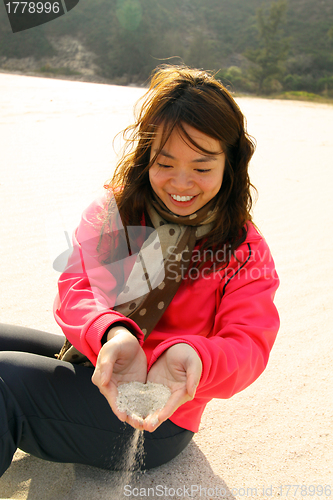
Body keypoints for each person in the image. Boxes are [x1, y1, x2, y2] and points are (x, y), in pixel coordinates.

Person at [0, 65, 279, 475]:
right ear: (147, 155)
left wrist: (194, 355)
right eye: (165, 163)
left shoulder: (243, 250)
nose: (181, 182)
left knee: (5, 382)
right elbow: (77, 285)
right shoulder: (114, 209)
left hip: (159, 418)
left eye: (202, 167)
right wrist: (112, 332)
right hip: (100, 359)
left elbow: (249, 346)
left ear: (230, 165)